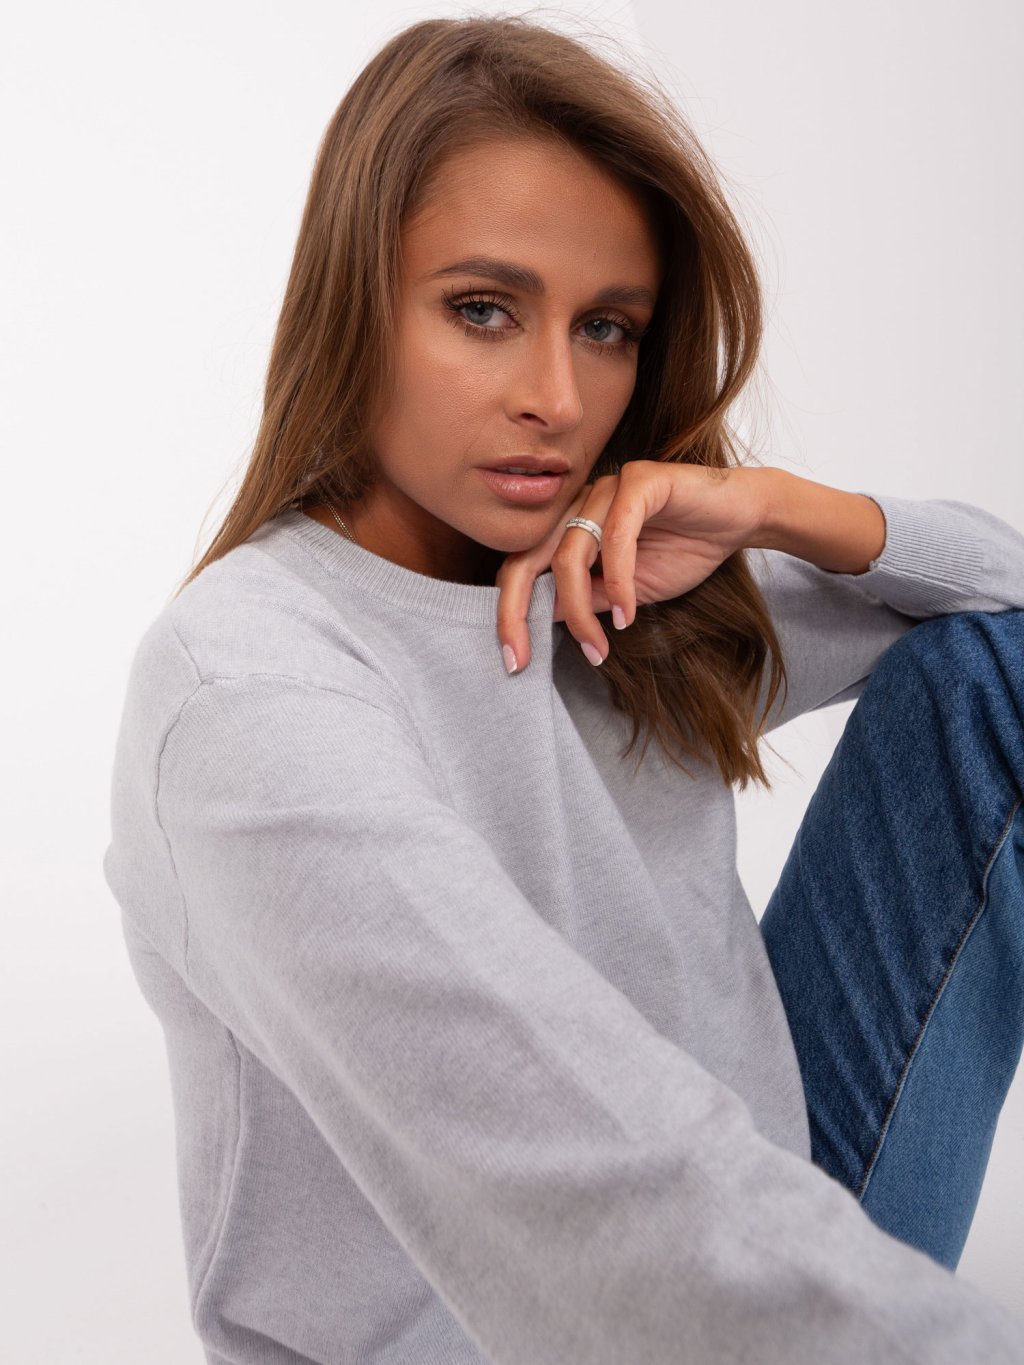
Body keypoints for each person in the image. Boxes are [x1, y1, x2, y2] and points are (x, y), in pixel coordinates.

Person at [102, 14, 1024, 1364]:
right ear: (353, 304)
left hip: (770, 1223)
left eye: (607, 328)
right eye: (482, 309)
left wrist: (779, 506)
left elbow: (1007, 625)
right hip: (513, 1310)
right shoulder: (251, 690)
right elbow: (589, 1167)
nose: (556, 395)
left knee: (993, 673)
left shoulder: (613, 578)